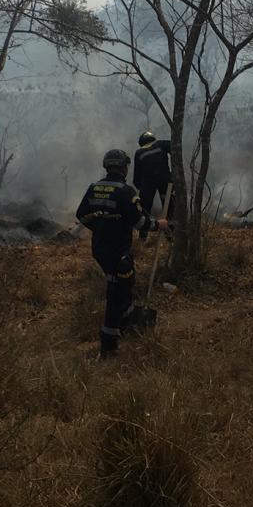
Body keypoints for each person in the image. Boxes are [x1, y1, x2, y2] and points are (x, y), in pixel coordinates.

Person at [75, 149, 165, 358]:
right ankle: (108, 346)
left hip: (100, 249)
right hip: (119, 251)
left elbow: (81, 215)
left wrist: (100, 226)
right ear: (124, 167)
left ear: (107, 166)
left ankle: (125, 323)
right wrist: (158, 225)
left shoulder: (94, 187)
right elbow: (140, 222)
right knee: (116, 292)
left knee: (123, 286)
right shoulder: (126, 191)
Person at [132, 131, 174, 240]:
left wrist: (139, 187)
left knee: (145, 207)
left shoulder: (139, 152)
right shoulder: (161, 144)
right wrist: (174, 175)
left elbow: (137, 175)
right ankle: (171, 232)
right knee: (169, 204)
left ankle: (143, 235)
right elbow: (175, 147)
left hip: (147, 183)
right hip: (164, 180)